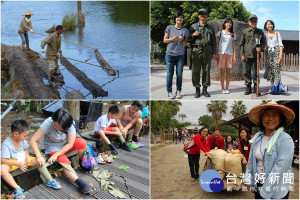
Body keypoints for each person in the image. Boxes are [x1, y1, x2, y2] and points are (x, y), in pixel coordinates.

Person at [30, 108, 94, 194]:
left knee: (82, 142)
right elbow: (33, 140)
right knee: (65, 161)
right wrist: (38, 156)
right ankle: (80, 183)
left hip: (66, 145)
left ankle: (82, 164)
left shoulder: (70, 125)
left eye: (61, 128)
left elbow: (70, 144)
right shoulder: (48, 122)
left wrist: (57, 155)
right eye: (56, 126)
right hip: (53, 147)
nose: (58, 129)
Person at [245, 101, 295, 199]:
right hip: (259, 182)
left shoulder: (285, 139)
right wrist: (249, 180)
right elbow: (251, 161)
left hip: (277, 187)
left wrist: (265, 190)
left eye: (275, 115)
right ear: (261, 119)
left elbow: (280, 168)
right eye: (267, 115)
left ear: (280, 119)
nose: (270, 118)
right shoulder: (257, 138)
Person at [1, 120, 42, 199]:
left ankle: (47, 179)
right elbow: (3, 160)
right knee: (2, 169)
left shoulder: (23, 140)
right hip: (13, 162)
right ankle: (18, 188)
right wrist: (18, 164)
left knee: (40, 161)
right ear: (16, 134)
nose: (26, 138)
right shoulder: (6, 144)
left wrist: (27, 156)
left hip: (23, 159)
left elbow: (26, 148)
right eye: (25, 136)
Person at [189, 8, 216, 98]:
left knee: (206, 70)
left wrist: (214, 53)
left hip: (207, 50)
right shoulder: (193, 27)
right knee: (195, 70)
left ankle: (205, 89)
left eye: (204, 14)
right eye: (201, 14)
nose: (202, 16)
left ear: (207, 16)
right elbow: (188, 40)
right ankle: (197, 89)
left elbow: (213, 41)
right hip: (196, 50)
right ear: (198, 16)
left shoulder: (210, 28)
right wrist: (193, 35)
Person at [163, 12, 189, 99]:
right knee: (170, 74)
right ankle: (169, 92)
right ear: (175, 19)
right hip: (170, 54)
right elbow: (165, 40)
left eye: (181, 17)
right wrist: (173, 39)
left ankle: (178, 91)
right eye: (178, 17)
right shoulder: (169, 28)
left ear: (183, 19)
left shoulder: (185, 30)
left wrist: (182, 39)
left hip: (180, 55)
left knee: (179, 74)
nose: (179, 19)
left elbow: (185, 44)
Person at [240, 14, 265, 95]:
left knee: (256, 72)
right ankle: (248, 87)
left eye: (255, 21)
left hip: (256, 56)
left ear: (257, 22)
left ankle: (256, 87)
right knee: (246, 72)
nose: (253, 22)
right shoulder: (245, 32)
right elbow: (241, 44)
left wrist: (261, 48)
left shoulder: (260, 32)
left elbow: (263, 43)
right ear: (249, 22)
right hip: (247, 55)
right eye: (252, 21)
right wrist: (242, 54)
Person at [263, 20, 287, 95]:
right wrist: (264, 58)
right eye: (268, 24)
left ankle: (277, 87)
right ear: (266, 26)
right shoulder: (265, 35)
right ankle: (272, 87)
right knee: (270, 70)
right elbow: (265, 48)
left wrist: (280, 55)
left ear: (273, 25)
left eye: (271, 24)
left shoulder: (277, 33)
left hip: (276, 52)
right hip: (269, 54)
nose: (270, 25)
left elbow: (280, 45)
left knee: (276, 69)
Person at [216, 18, 236, 94]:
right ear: (224, 24)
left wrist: (234, 56)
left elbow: (234, 46)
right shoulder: (220, 33)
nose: (229, 24)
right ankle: (222, 88)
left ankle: (227, 88)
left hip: (229, 53)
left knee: (228, 72)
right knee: (222, 72)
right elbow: (217, 44)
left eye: (230, 23)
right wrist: (216, 53)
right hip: (221, 53)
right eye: (227, 22)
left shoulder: (233, 34)